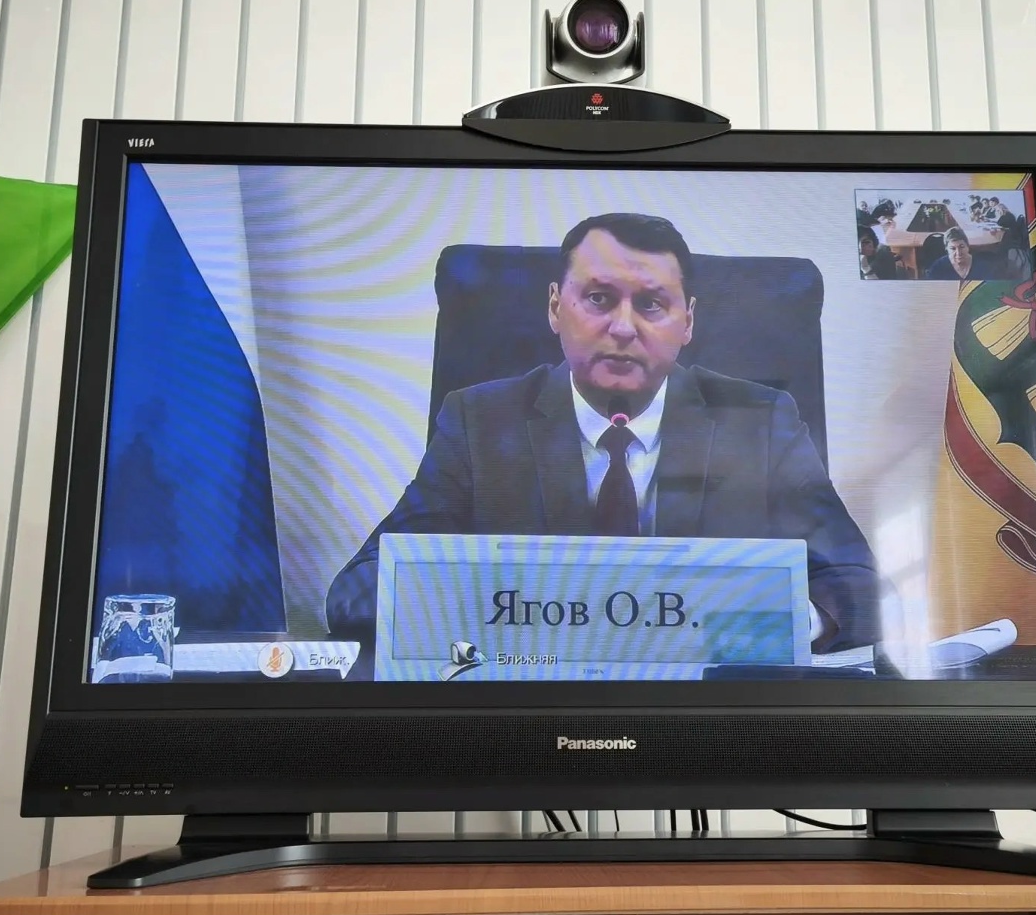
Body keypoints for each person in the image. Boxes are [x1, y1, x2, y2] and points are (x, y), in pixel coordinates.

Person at [326, 213, 882, 652]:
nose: (622, 327)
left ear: (687, 321)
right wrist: (503, 612)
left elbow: (858, 587)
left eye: (651, 304)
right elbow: (356, 592)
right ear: (555, 307)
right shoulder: (478, 422)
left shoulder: (762, 422)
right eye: (598, 298)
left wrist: (765, 624)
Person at [925, 226, 998, 281]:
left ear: (968, 246)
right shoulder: (938, 267)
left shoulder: (982, 266)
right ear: (947, 249)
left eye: (962, 247)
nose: (958, 252)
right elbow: (931, 289)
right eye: (953, 248)